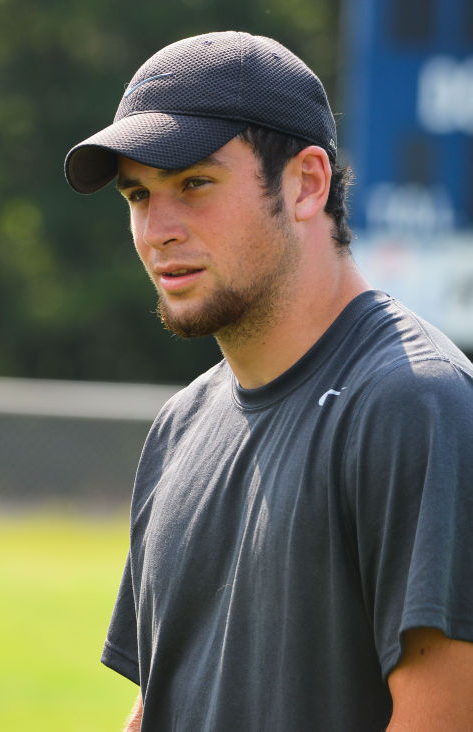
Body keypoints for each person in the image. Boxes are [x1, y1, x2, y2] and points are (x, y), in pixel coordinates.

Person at [63, 30, 473, 730]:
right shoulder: (181, 426)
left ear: (307, 182)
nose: (157, 229)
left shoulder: (415, 403)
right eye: (138, 195)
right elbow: (160, 705)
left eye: (194, 183)